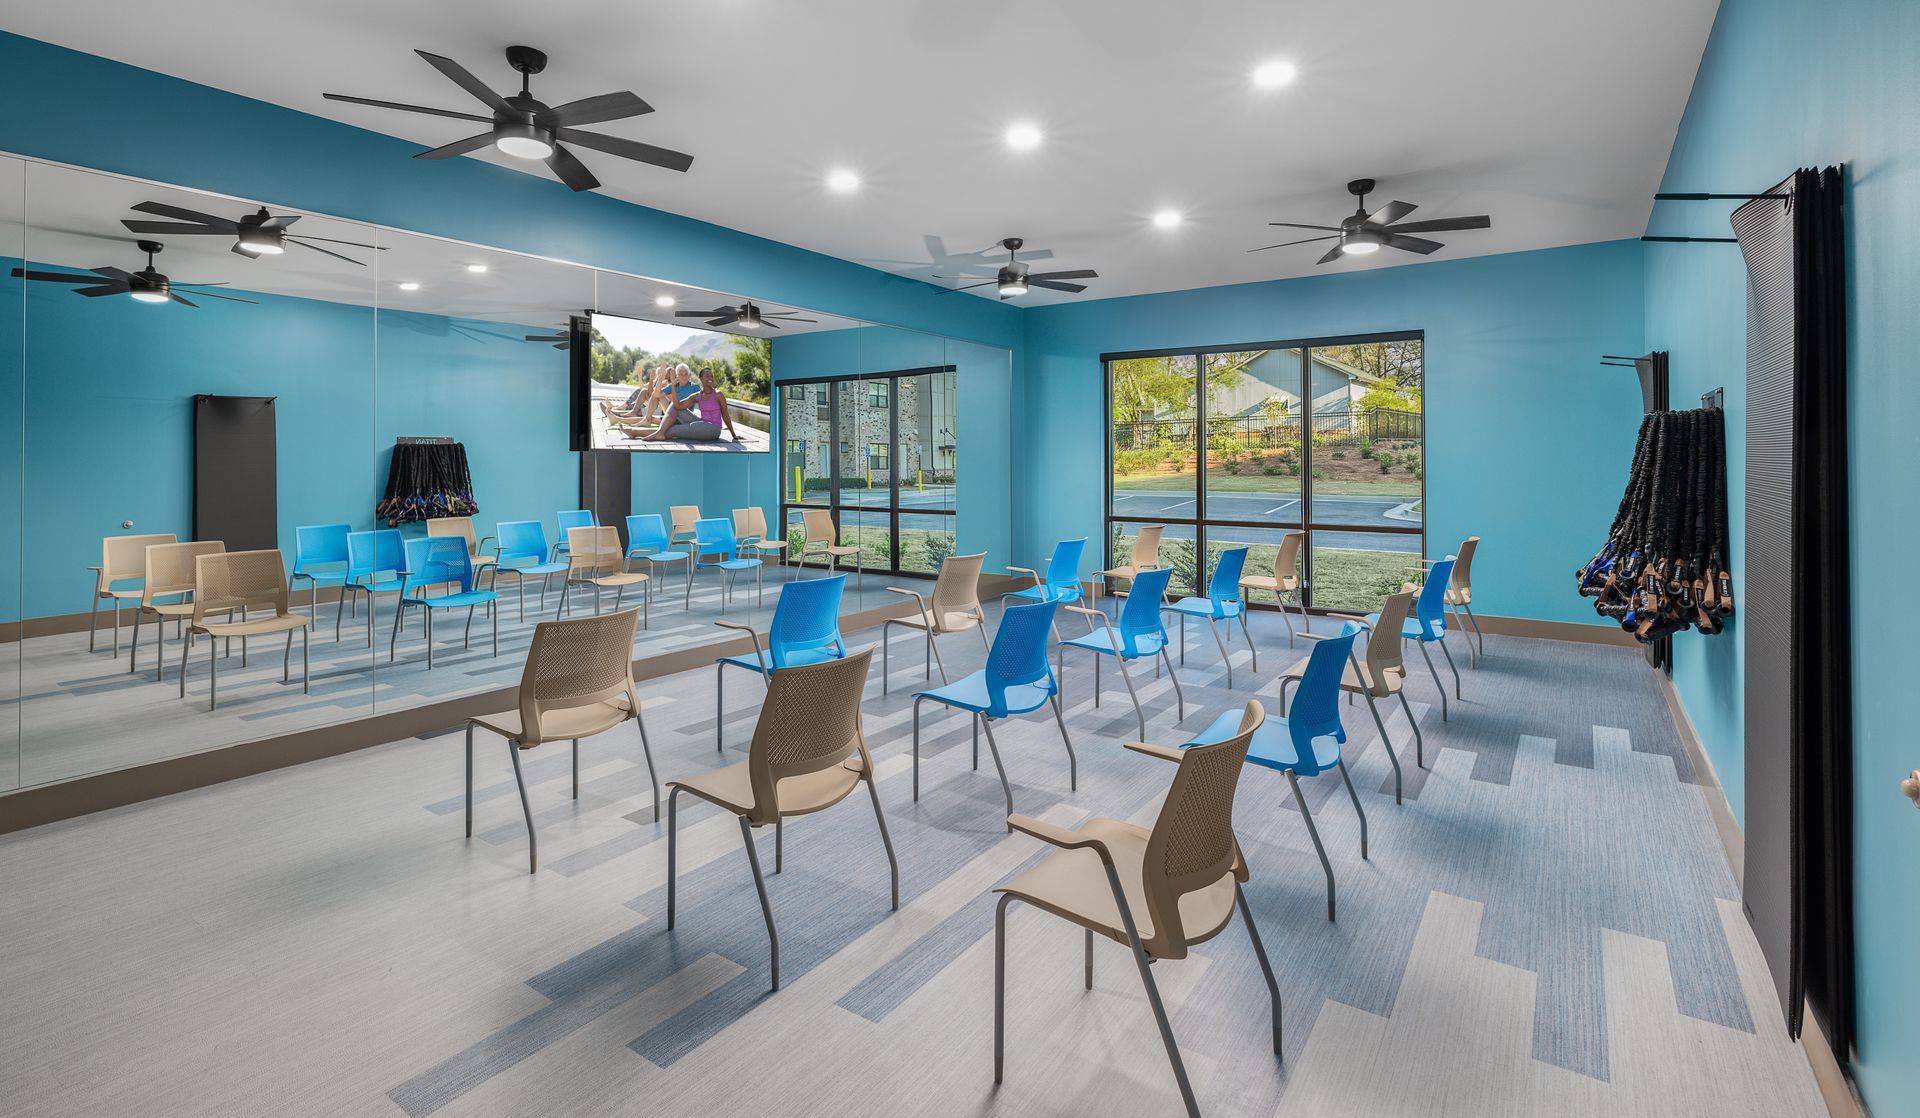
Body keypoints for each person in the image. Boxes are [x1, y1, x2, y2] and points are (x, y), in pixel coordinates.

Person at [645, 366, 738, 442]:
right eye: (707, 376)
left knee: (672, 430)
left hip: (713, 429)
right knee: (673, 405)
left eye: (711, 376)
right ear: (701, 378)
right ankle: (660, 432)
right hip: (701, 424)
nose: (710, 378)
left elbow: (726, 416)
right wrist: (673, 384)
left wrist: (734, 435)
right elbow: (678, 406)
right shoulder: (697, 396)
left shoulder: (718, 395)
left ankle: (657, 433)